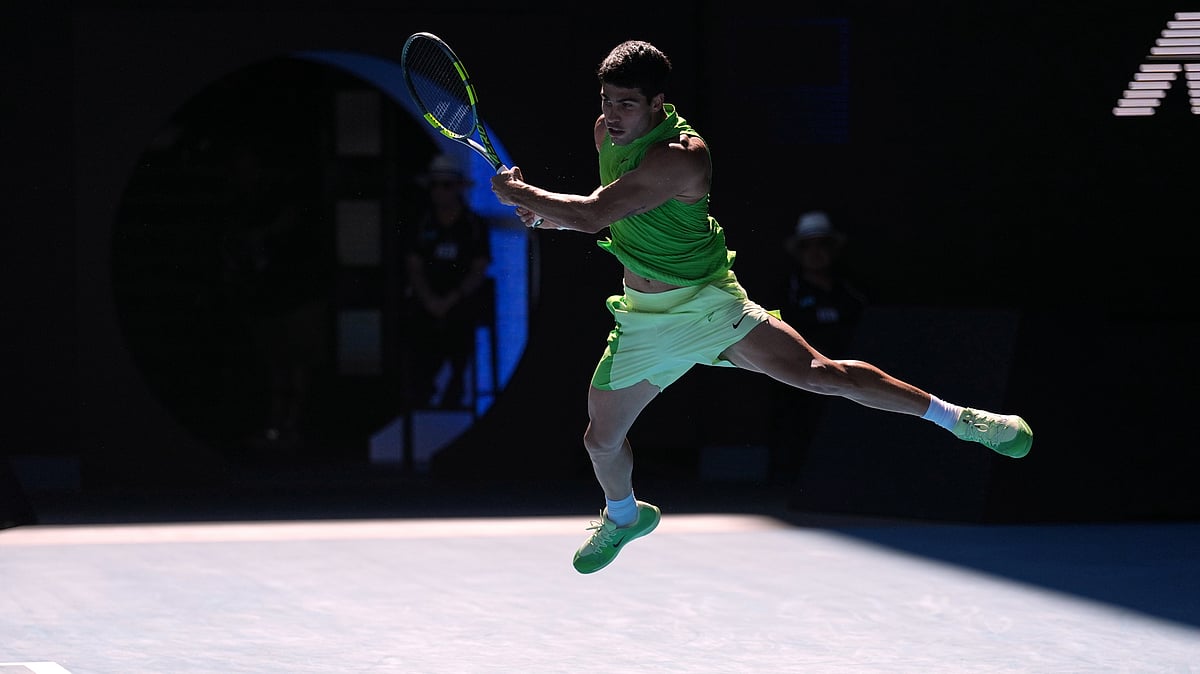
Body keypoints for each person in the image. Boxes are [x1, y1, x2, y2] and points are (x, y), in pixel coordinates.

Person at [490, 40, 1033, 575]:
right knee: (600, 440)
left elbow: (594, 214)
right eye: (607, 100)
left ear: (657, 103)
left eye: (627, 103)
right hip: (642, 319)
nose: (612, 114)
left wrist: (523, 195)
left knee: (820, 374)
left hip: (705, 307)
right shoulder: (604, 133)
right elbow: (619, 215)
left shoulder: (682, 156)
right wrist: (549, 218)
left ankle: (961, 420)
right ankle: (625, 516)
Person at [769, 210, 869, 482]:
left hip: (850, 379)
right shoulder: (787, 293)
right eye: (807, 246)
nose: (816, 253)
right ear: (798, 252)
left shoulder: (853, 290)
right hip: (803, 382)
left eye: (822, 244)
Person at [404, 153, 493, 410]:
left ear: (457, 188)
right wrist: (431, 301)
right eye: (434, 185)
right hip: (426, 302)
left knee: (460, 334)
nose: (439, 192)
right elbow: (414, 266)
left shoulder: (474, 225)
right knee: (420, 336)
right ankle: (421, 391)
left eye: (446, 185)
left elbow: (479, 269)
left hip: (461, 302)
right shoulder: (421, 223)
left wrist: (451, 299)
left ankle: (456, 388)